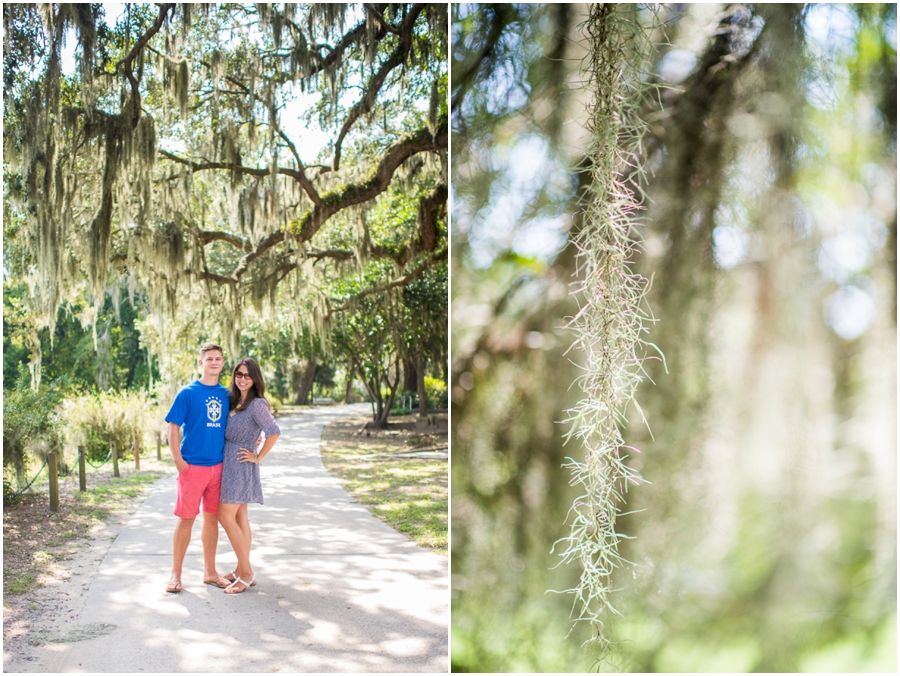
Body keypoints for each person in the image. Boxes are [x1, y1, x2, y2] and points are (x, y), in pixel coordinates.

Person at [163, 343, 232, 592]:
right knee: (186, 520)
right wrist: (178, 461)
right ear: (200, 363)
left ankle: (210, 572)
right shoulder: (188, 393)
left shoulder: (228, 394)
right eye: (209, 358)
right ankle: (175, 574)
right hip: (192, 468)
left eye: (219, 358)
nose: (214, 362)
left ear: (223, 363)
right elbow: (172, 426)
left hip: (219, 468)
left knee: (211, 519)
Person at [218, 357, 281, 594]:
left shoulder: (257, 405)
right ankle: (240, 568)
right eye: (239, 374)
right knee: (240, 517)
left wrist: (258, 457)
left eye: (247, 375)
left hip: (241, 465)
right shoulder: (234, 400)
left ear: (255, 378)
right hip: (230, 464)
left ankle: (246, 573)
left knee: (225, 517)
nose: (243, 379)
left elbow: (274, 432)